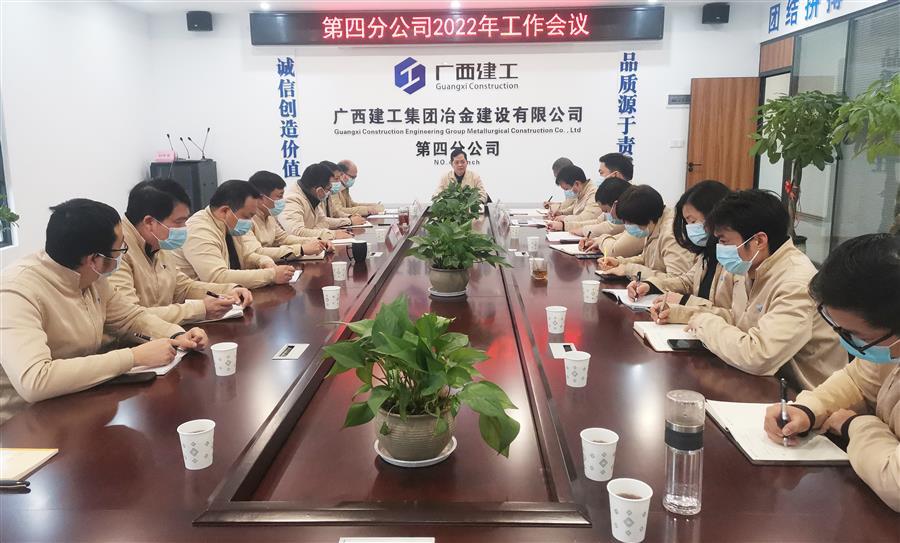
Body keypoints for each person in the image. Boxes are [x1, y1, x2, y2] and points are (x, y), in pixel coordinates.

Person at [0, 199, 208, 424]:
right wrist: (132, 357)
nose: (122, 256)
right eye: (119, 250)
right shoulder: (16, 291)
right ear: (94, 259)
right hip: (24, 425)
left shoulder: (91, 276)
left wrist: (176, 335)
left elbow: (131, 318)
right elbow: (35, 380)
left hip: (79, 402)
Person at [652, 189, 846, 390]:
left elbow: (759, 355)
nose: (719, 248)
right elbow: (739, 319)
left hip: (798, 395)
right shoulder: (752, 265)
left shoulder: (796, 282)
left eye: (724, 241)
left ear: (759, 241)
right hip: (762, 383)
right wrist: (684, 314)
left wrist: (703, 323)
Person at [763, 233, 900, 512]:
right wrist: (808, 409)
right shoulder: (888, 343)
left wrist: (854, 425)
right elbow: (856, 380)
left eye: (856, 335)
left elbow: (895, 484)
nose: (846, 343)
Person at [111, 179, 253, 325]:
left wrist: (229, 290)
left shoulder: (156, 242)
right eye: (179, 222)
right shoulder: (116, 251)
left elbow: (183, 288)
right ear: (149, 222)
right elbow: (131, 317)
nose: (185, 228)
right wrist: (200, 309)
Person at [171, 180, 295, 289]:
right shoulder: (199, 229)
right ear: (224, 211)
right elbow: (217, 277)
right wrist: (271, 275)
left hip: (226, 296)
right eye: (246, 217)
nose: (250, 222)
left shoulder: (229, 224)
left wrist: (263, 261)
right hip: (198, 301)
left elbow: (246, 256)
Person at [627, 180, 732, 309]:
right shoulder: (707, 252)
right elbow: (686, 281)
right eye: (687, 222)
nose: (689, 228)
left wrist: (684, 301)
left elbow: (731, 315)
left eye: (692, 221)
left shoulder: (734, 258)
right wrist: (650, 285)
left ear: (713, 214)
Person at [597, 185, 697, 280]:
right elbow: (646, 259)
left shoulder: (671, 234)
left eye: (629, 222)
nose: (627, 226)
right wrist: (620, 262)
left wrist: (629, 270)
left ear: (644, 217)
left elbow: (677, 280)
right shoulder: (652, 224)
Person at [244, 170, 332, 261]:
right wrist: (301, 249)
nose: (283, 200)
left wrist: (317, 241)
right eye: (279, 196)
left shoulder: (269, 215)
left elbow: (284, 238)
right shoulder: (245, 220)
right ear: (261, 198)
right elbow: (257, 252)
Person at [281, 163, 353, 240]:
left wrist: (348, 221)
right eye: (328, 189)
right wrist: (333, 234)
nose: (330, 192)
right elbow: (297, 232)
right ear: (319, 190)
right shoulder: (292, 200)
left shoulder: (312, 195)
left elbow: (323, 221)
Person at [577, 177, 644, 258]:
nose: (610, 215)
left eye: (606, 211)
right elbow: (623, 236)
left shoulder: (640, 222)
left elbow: (614, 251)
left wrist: (601, 240)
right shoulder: (634, 218)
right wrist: (596, 241)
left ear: (616, 205)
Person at [545, 165, 602, 232]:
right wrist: (561, 213)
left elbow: (587, 218)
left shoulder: (594, 194)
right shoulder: (583, 190)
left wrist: (565, 219)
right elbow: (574, 208)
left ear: (577, 183)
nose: (569, 192)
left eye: (568, 189)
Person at [320, 160, 366, 227]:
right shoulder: (318, 195)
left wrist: (350, 216)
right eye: (336, 178)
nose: (339, 181)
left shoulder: (328, 193)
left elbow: (335, 212)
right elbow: (322, 221)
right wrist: (350, 221)